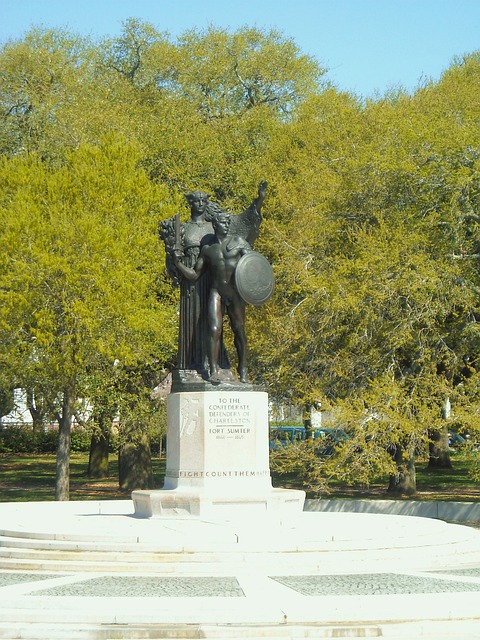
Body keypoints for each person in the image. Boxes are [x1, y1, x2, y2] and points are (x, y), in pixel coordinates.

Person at [174, 211, 252, 383]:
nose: (226, 225)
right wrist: (178, 263)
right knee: (214, 329)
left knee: (239, 330)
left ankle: (243, 368)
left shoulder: (239, 242)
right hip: (216, 291)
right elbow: (195, 275)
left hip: (235, 292)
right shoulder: (208, 250)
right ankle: (214, 369)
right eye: (223, 222)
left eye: (227, 222)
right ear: (215, 225)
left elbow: (252, 265)